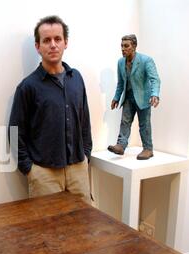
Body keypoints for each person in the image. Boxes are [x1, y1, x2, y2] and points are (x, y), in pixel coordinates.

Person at [8, 15, 92, 204]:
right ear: (38, 46)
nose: (53, 45)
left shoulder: (76, 78)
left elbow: (84, 120)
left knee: (84, 227)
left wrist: (86, 154)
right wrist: (29, 169)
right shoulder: (28, 87)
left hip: (78, 169)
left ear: (65, 43)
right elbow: (14, 132)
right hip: (44, 174)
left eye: (57, 39)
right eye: (46, 40)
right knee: (47, 231)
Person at [108, 34, 161, 160]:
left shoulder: (146, 60)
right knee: (125, 122)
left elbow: (155, 79)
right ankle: (121, 145)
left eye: (126, 46)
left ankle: (148, 149)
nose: (123, 49)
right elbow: (121, 83)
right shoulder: (121, 62)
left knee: (144, 124)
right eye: (121, 46)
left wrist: (155, 94)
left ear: (134, 46)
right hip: (128, 97)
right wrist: (116, 98)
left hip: (143, 97)